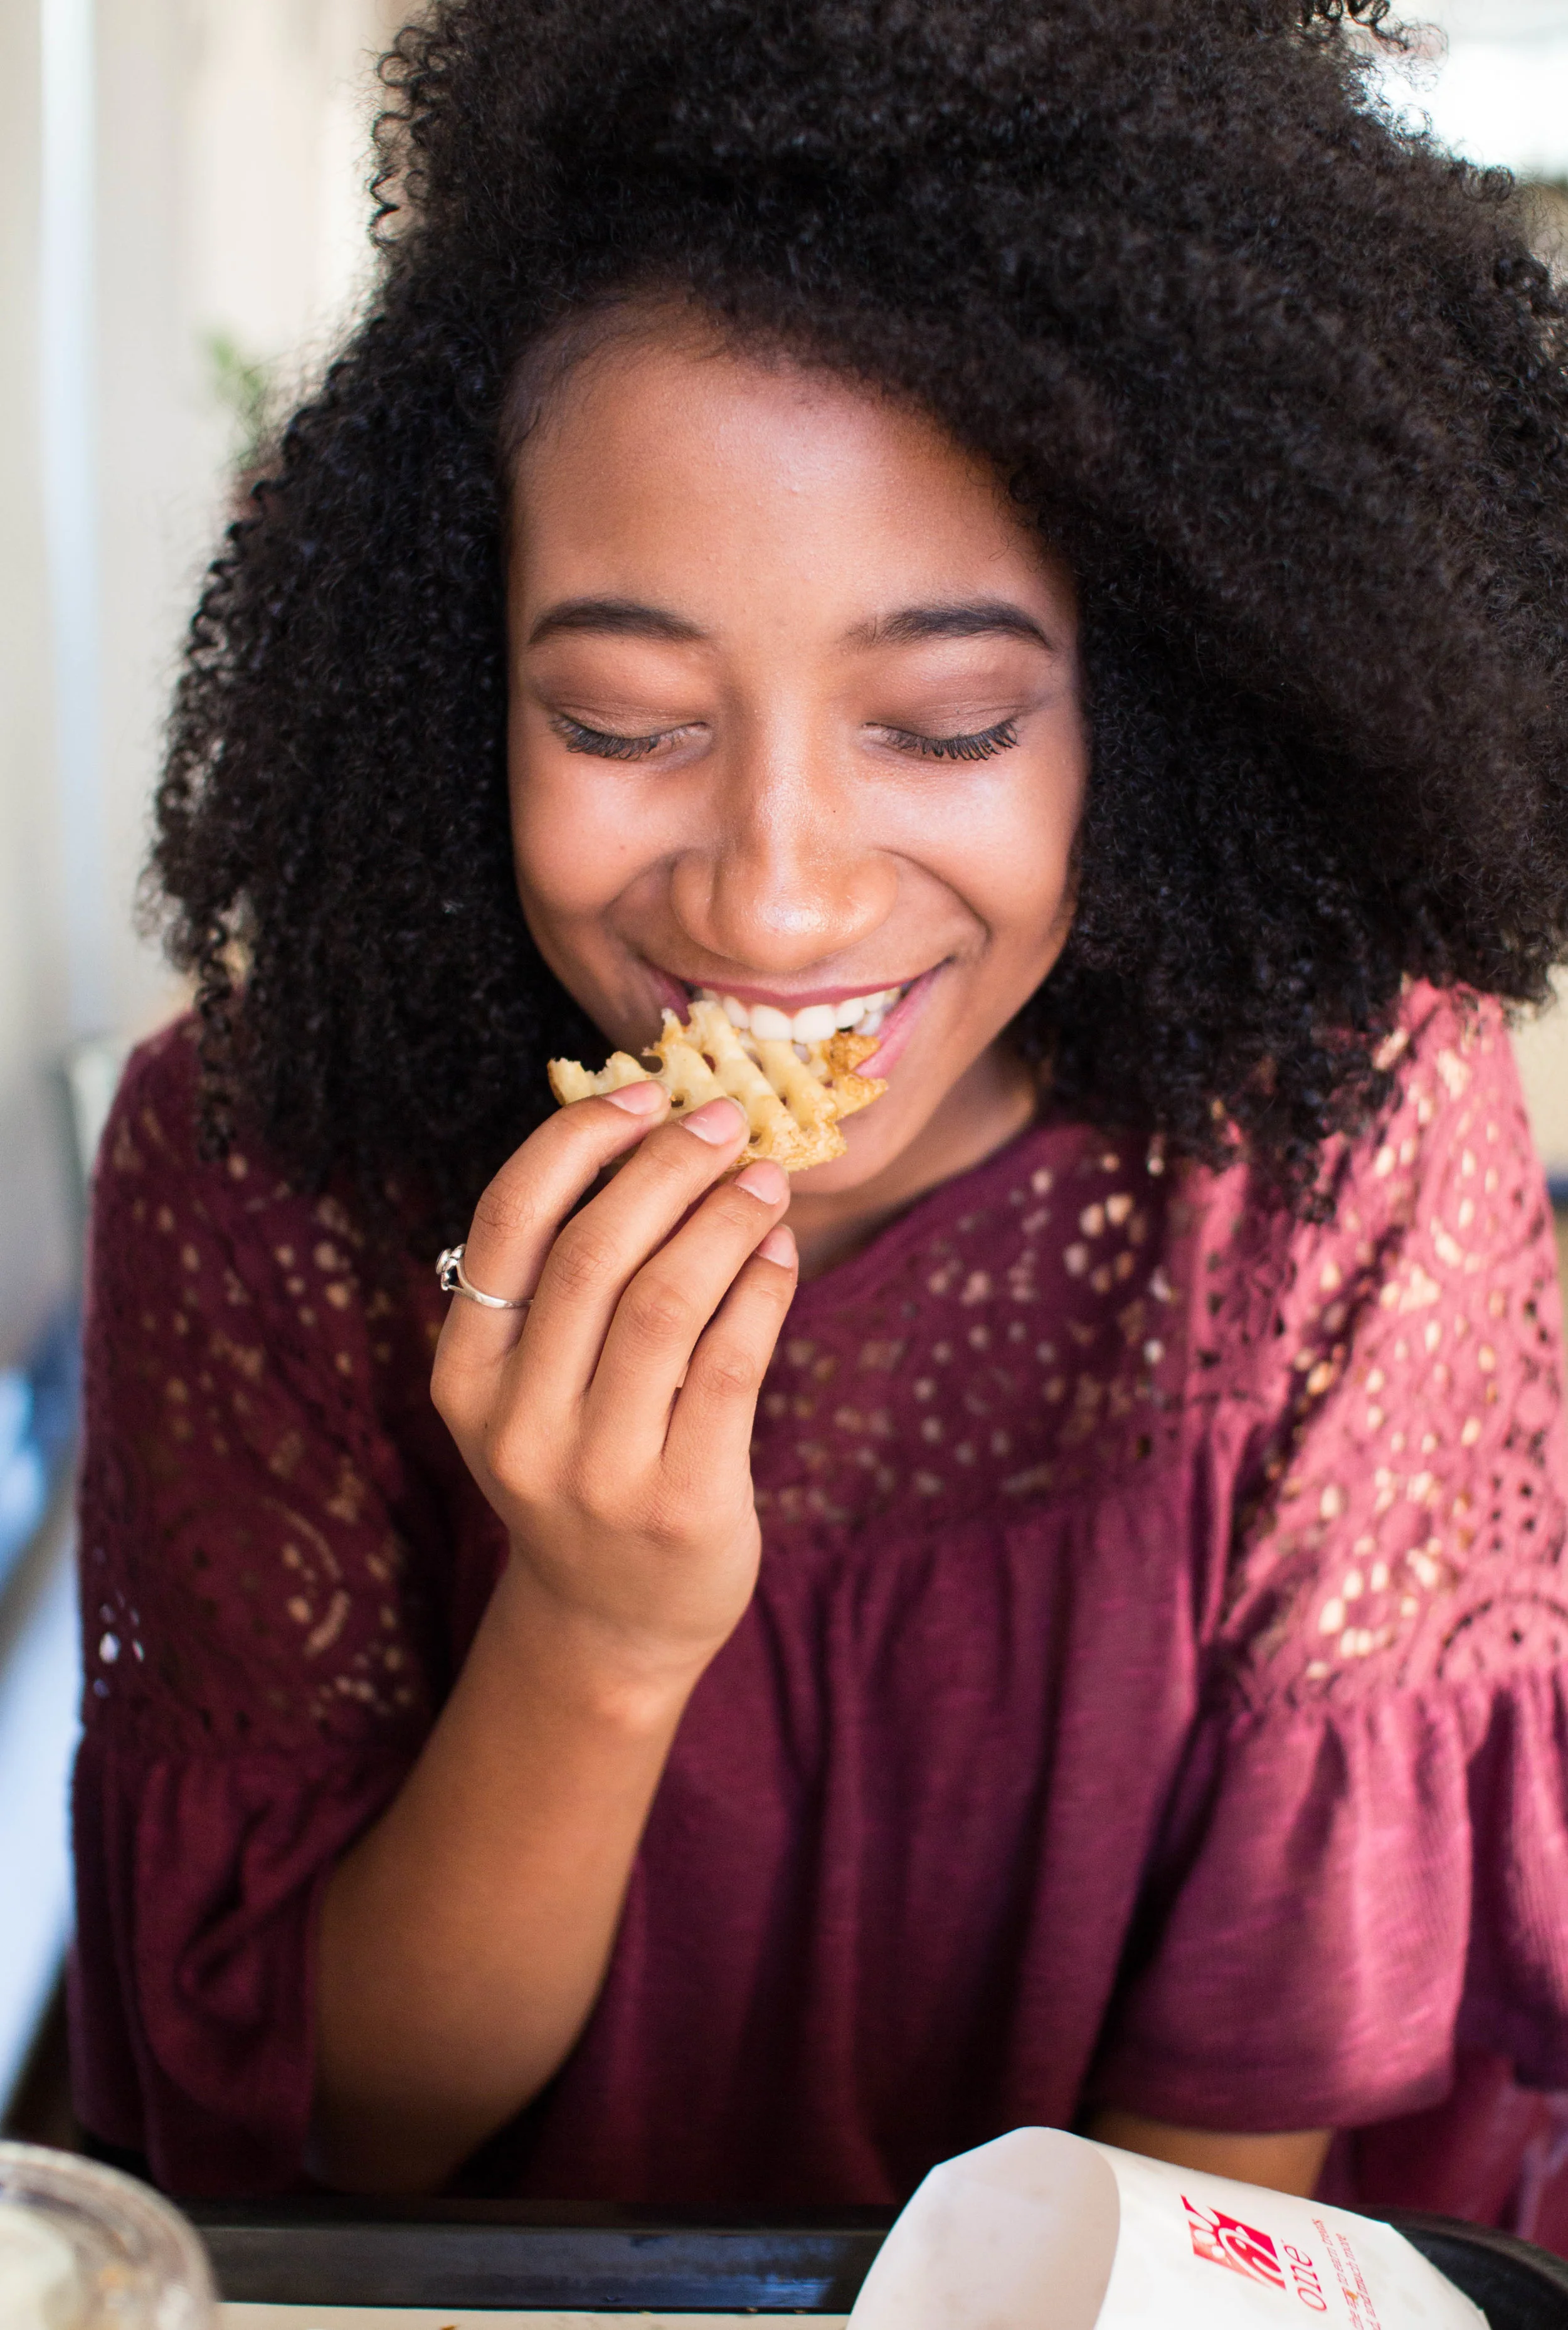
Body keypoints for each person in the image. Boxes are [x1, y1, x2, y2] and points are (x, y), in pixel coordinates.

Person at [71, 0, 1568, 2242]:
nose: (772, 894)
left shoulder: (1345, 1137)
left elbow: (1256, 2120)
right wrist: (593, 1624)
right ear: (446, 680)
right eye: (619, 717)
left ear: (1162, 709)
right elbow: (337, 2142)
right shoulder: (254, 1163)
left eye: (947, 725)